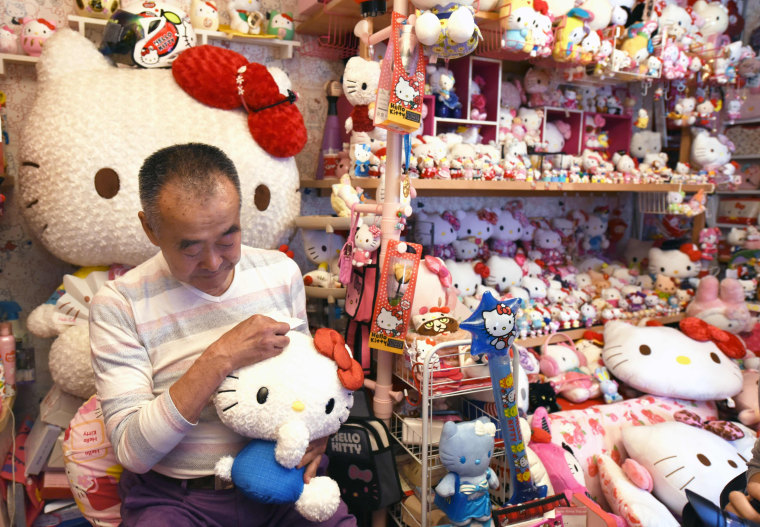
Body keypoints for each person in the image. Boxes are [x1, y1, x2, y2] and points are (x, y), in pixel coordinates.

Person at [89, 143, 356, 527]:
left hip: (282, 487)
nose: (213, 262)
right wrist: (221, 357)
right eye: (191, 247)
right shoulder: (120, 305)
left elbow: (308, 385)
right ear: (150, 228)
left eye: (227, 238)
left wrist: (318, 433)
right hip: (178, 501)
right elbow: (133, 450)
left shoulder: (281, 273)